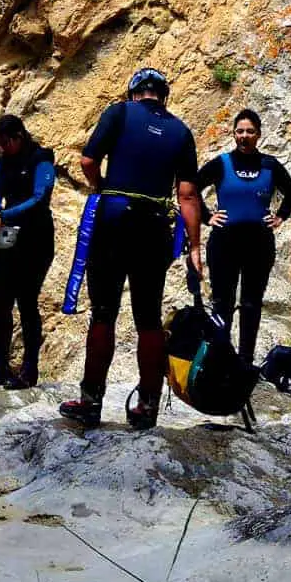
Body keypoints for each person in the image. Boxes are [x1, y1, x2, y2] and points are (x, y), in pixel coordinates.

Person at [59, 67, 203, 430]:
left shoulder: (119, 112)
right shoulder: (181, 131)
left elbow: (88, 161)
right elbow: (187, 195)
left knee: (104, 312)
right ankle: (147, 408)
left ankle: (91, 401)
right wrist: (196, 248)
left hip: (114, 220)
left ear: (134, 91)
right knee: (149, 318)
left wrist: (101, 185)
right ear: (163, 96)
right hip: (154, 226)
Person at [197, 109, 291, 363]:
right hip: (224, 244)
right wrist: (206, 216)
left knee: (251, 305)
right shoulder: (221, 163)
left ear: (259, 135)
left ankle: (245, 361)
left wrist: (280, 216)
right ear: (233, 134)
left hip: (259, 245)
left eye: (250, 131)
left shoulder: (270, 165)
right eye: (240, 131)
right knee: (223, 304)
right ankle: (220, 359)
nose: (244, 136)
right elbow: (190, 188)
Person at [0, 115, 56, 389]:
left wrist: (7, 214)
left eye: (4, 143)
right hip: (8, 239)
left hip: (35, 239)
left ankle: (29, 369)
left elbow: (39, 199)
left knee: (27, 303)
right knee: (1, 304)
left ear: (18, 137)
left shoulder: (41, 160)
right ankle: (1, 366)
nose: (1, 149)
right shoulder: (5, 162)